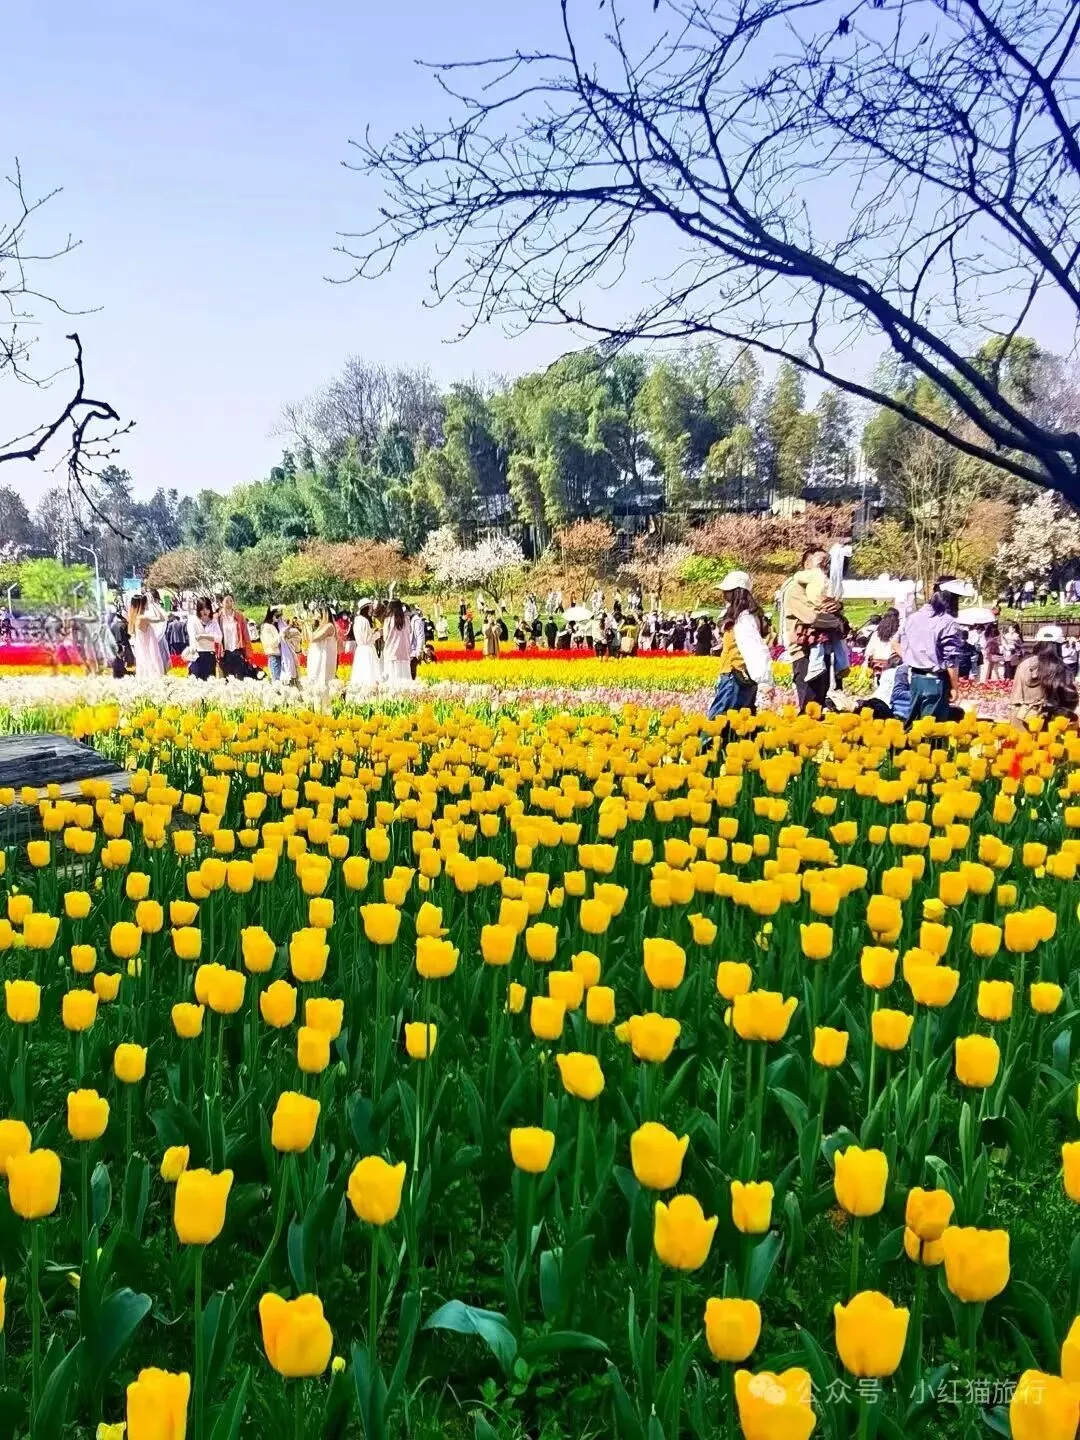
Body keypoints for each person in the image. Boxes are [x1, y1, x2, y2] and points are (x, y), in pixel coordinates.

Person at [779, 548, 849, 710]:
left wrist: (838, 606)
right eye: (821, 562)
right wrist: (836, 621)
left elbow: (837, 618)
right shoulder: (795, 588)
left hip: (824, 650)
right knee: (809, 703)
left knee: (819, 702)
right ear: (807, 564)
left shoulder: (825, 588)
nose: (825, 566)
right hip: (804, 652)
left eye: (827, 563)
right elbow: (813, 618)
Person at [901, 577, 967, 721]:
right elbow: (951, 660)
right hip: (936, 681)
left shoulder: (913, 618)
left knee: (913, 725)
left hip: (915, 679)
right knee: (933, 729)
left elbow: (900, 643)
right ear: (952, 598)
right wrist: (954, 687)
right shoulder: (948, 622)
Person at [708, 572, 772, 718]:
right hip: (734, 675)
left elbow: (754, 649)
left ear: (737, 592)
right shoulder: (740, 616)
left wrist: (763, 680)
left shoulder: (745, 619)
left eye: (727, 591)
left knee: (717, 721)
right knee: (740, 722)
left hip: (736, 677)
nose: (723, 595)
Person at [128, 593, 167, 681]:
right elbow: (161, 618)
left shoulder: (135, 617)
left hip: (142, 649)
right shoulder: (142, 618)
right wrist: (154, 604)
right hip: (150, 650)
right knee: (154, 670)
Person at [305, 606, 340, 693]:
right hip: (317, 657)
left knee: (323, 678)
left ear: (323, 613)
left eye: (317, 612)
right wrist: (304, 624)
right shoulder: (320, 626)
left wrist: (307, 624)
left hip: (324, 658)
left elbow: (313, 639)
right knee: (315, 677)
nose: (314, 614)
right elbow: (308, 638)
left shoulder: (329, 626)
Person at [219, 595, 254, 679]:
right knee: (226, 679)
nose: (229, 603)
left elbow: (246, 635)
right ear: (221, 603)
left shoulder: (239, 617)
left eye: (231, 601)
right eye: (226, 601)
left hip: (237, 651)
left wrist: (249, 653)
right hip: (224, 653)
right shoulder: (218, 617)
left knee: (239, 678)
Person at [186, 597, 221, 680]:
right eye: (202, 609)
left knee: (210, 681)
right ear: (198, 609)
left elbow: (219, 638)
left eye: (207, 609)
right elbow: (193, 637)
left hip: (210, 654)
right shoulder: (193, 620)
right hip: (196, 654)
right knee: (195, 680)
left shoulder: (213, 621)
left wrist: (203, 636)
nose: (205, 611)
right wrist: (211, 637)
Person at [382, 597, 413, 684]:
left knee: (392, 679)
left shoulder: (388, 620)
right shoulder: (407, 620)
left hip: (391, 652)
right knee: (405, 679)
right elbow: (410, 632)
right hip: (405, 652)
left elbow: (385, 637)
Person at [350, 601, 380, 691]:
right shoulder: (365, 621)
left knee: (360, 672)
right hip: (367, 650)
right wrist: (379, 634)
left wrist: (372, 632)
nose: (371, 610)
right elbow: (368, 639)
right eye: (370, 608)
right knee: (369, 672)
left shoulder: (357, 620)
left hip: (360, 650)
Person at [260, 608, 285, 682]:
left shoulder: (273, 626)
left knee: (280, 680)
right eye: (277, 615)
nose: (279, 618)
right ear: (272, 615)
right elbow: (271, 643)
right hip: (274, 655)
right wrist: (281, 635)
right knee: (277, 681)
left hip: (278, 655)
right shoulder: (266, 627)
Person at [409, 606, 427, 679]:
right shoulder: (407, 619)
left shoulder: (417, 621)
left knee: (414, 673)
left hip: (414, 651)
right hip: (408, 652)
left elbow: (420, 636)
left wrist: (419, 650)